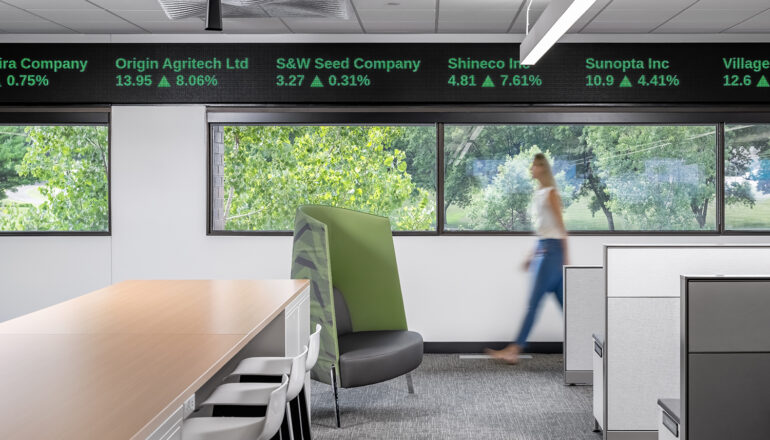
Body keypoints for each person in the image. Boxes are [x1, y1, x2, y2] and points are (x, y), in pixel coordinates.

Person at [486, 153, 568, 364]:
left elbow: (561, 227)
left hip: (552, 253)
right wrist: (532, 254)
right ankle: (587, 345)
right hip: (544, 249)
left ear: (542, 168)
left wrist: (565, 257)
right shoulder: (539, 193)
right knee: (565, 306)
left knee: (534, 303)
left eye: (534, 166)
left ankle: (513, 350)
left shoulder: (550, 193)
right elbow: (543, 230)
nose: (531, 169)